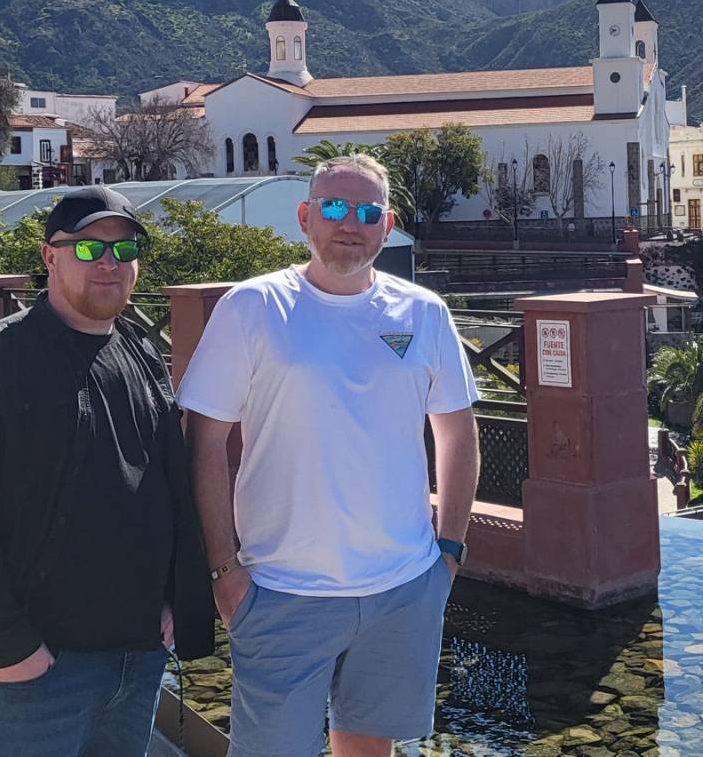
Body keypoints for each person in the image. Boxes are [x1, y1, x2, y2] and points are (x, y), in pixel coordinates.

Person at [180, 154, 479, 757]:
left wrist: (447, 552)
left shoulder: (423, 312)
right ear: (304, 217)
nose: (350, 223)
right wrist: (223, 571)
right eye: (335, 207)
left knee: (369, 750)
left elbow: (457, 433)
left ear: (387, 225)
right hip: (280, 590)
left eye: (368, 212)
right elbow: (204, 439)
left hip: (403, 588)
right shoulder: (252, 307)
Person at [0, 186, 214, 755]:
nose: (108, 263)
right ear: (49, 257)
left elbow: (165, 484)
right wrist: (10, 643)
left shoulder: (139, 351)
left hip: (136, 657)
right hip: (39, 669)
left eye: (124, 250)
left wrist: (176, 599)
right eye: (87, 248)